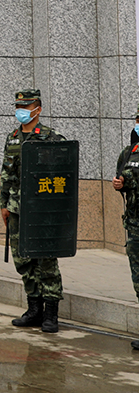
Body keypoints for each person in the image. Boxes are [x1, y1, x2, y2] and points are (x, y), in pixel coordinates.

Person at [0, 88, 64, 332]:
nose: (21, 112)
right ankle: (34, 309)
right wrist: (3, 204)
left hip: (43, 209)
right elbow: (6, 174)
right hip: (17, 207)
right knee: (24, 259)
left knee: (46, 260)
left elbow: (63, 173)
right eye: (18, 107)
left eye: (25, 107)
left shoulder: (51, 137)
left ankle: (51, 313)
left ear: (37, 108)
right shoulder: (13, 138)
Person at [110, 104, 139, 350]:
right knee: (138, 279)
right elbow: (121, 177)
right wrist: (120, 184)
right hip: (135, 224)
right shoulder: (129, 152)